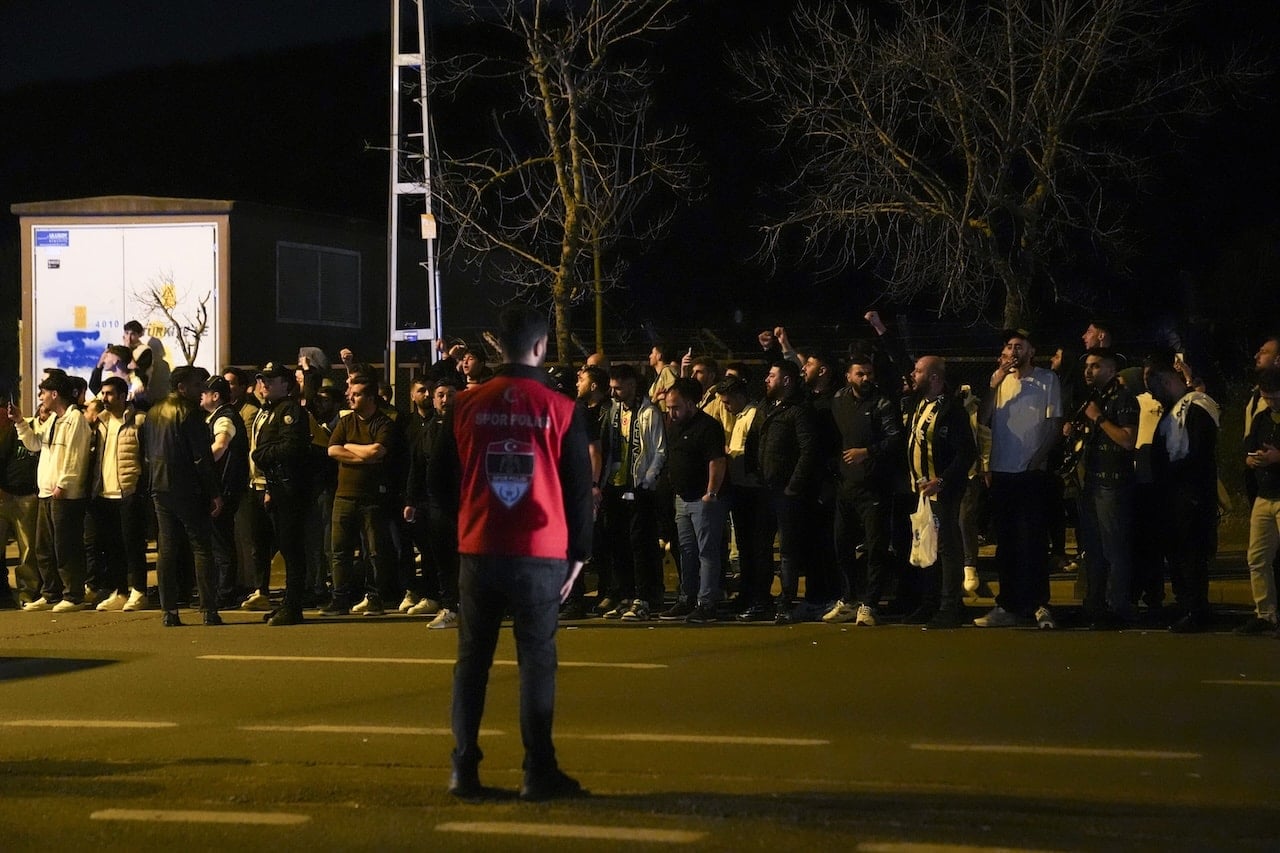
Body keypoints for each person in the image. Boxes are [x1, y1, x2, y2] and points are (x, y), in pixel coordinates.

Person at [429, 303, 593, 801]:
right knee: (537, 661)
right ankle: (537, 770)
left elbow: (438, 480)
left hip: (479, 547)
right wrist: (579, 554)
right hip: (540, 551)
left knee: (472, 661)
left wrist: (462, 526)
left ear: (498, 345)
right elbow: (579, 489)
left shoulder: (465, 403)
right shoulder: (561, 408)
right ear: (541, 347)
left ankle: (464, 767)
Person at [975, 329, 1062, 629]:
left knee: (1034, 541)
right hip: (1001, 471)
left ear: (1031, 351)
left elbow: (1054, 424)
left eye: (1019, 346)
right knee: (1007, 544)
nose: (1013, 351)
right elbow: (983, 419)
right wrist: (993, 384)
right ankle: (1008, 604)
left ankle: (1039, 603)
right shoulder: (999, 381)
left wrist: (1037, 460)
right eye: (1009, 346)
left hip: (1031, 472)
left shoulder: (1047, 380)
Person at [824, 355, 903, 626]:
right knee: (841, 543)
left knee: (875, 547)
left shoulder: (881, 402)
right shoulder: (838, 400)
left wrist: (867, 452)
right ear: (848, 375)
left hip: (874, 487)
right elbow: (833, 437)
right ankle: (848, 599)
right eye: (860, 374)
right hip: (846, 485)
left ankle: (869, 603)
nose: (866, 378)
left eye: (869, 373)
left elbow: (894, 439)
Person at [1145, 350, 1220, 633]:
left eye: (1154, 387)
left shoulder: (1196, 406)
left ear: (1166, 381)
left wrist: (1176, 478)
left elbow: (1198, 451)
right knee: (1178, 553)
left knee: (1191, 555)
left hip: (1190, 494)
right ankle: (1186, 603)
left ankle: (1196, 608)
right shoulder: (1172, 412)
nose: (1152, 396)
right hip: (1175, 495)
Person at [144, 366, 223, 626]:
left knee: (166, 548)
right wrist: (214, 492)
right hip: (187, 486)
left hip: (159, 485)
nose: (203, 390)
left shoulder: (153, 411)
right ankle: (209, 609)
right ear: (181, 387)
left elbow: (147, 451)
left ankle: (169, 611)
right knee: (201, 547)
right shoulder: (190, 413)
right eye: (198, 384)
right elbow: (201, 458)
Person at [904, 356, 976, 628]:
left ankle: (949, 605)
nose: (913, 374)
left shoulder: (951, 409)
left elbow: (966, 452)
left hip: (941, 491)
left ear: (934, 377)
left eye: (919, 371)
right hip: (921, 490)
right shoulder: (920, 402)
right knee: (927, 546)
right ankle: (930, 602)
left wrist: (942, 480)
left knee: (946, 547)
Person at [1071, 348, 1139, 629]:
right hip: (1092, 483)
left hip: (1113, 483)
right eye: (1087, 366)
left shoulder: (1124, 399)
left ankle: (1118, 606)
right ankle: (1095, 604)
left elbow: (1127, 440)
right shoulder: (1094, 399)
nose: (1088, 371)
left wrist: (1098, 418)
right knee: (1094, 548)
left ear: (1111, 370)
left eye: (1096, 366)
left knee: (1114, 548)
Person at [15, 371, 92, 612]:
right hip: (46, 492)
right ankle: (50, 593)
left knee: (66, 546)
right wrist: (19, 422)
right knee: (44, 547)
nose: (41, 397)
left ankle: (73, 594)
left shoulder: (75, 419)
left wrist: (65, 483)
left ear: (55, 394)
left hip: (64, 495)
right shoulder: (54, 420)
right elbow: (35, 444)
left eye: (44, 392)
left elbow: (75, 456)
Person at [322, 373, 397, 617]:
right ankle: (339, 599)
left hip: (371, 497)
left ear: (371, 397)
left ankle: (375, 597)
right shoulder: (346, 422)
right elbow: (333, 450)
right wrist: (362, 454)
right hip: (343, 495)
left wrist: (350, 447)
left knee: (374, 550)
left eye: (356, 394)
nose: (350, 398)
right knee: (339, 550)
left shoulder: (384, 424)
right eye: (350, 394)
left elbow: (377, 452)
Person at [658, 378, 728, 623]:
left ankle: (707, 603)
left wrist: (711, 492)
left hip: (702, 499)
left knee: (707, 552)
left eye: (675, 407)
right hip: (682, 498)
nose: (671, 412)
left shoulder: (708, 427)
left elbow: (717, 460)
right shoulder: (674, 425)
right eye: (668, 407)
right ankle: (687, 597)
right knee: (686, 551)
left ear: (690, 403)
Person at [85, 376, 150, 612]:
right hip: (104, 492)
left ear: (124, 396)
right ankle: (120, 591)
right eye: (103, 393)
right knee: (112, 546)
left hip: (129, 491)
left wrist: (141, 488)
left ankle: (139, 591)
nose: (105, 398)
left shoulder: (139, 421)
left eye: (110, 393)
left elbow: (147, 458)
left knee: (133, 545)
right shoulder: (100, 423)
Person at [1239, 365, 1280, 635]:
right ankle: (1265, 614)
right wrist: (1251, 459)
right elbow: (1247, 449)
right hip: (1265, 495)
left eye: (1275, 396)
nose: (1270, 401)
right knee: (1257, 557)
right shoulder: (1262, 417)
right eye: (1266, 396)